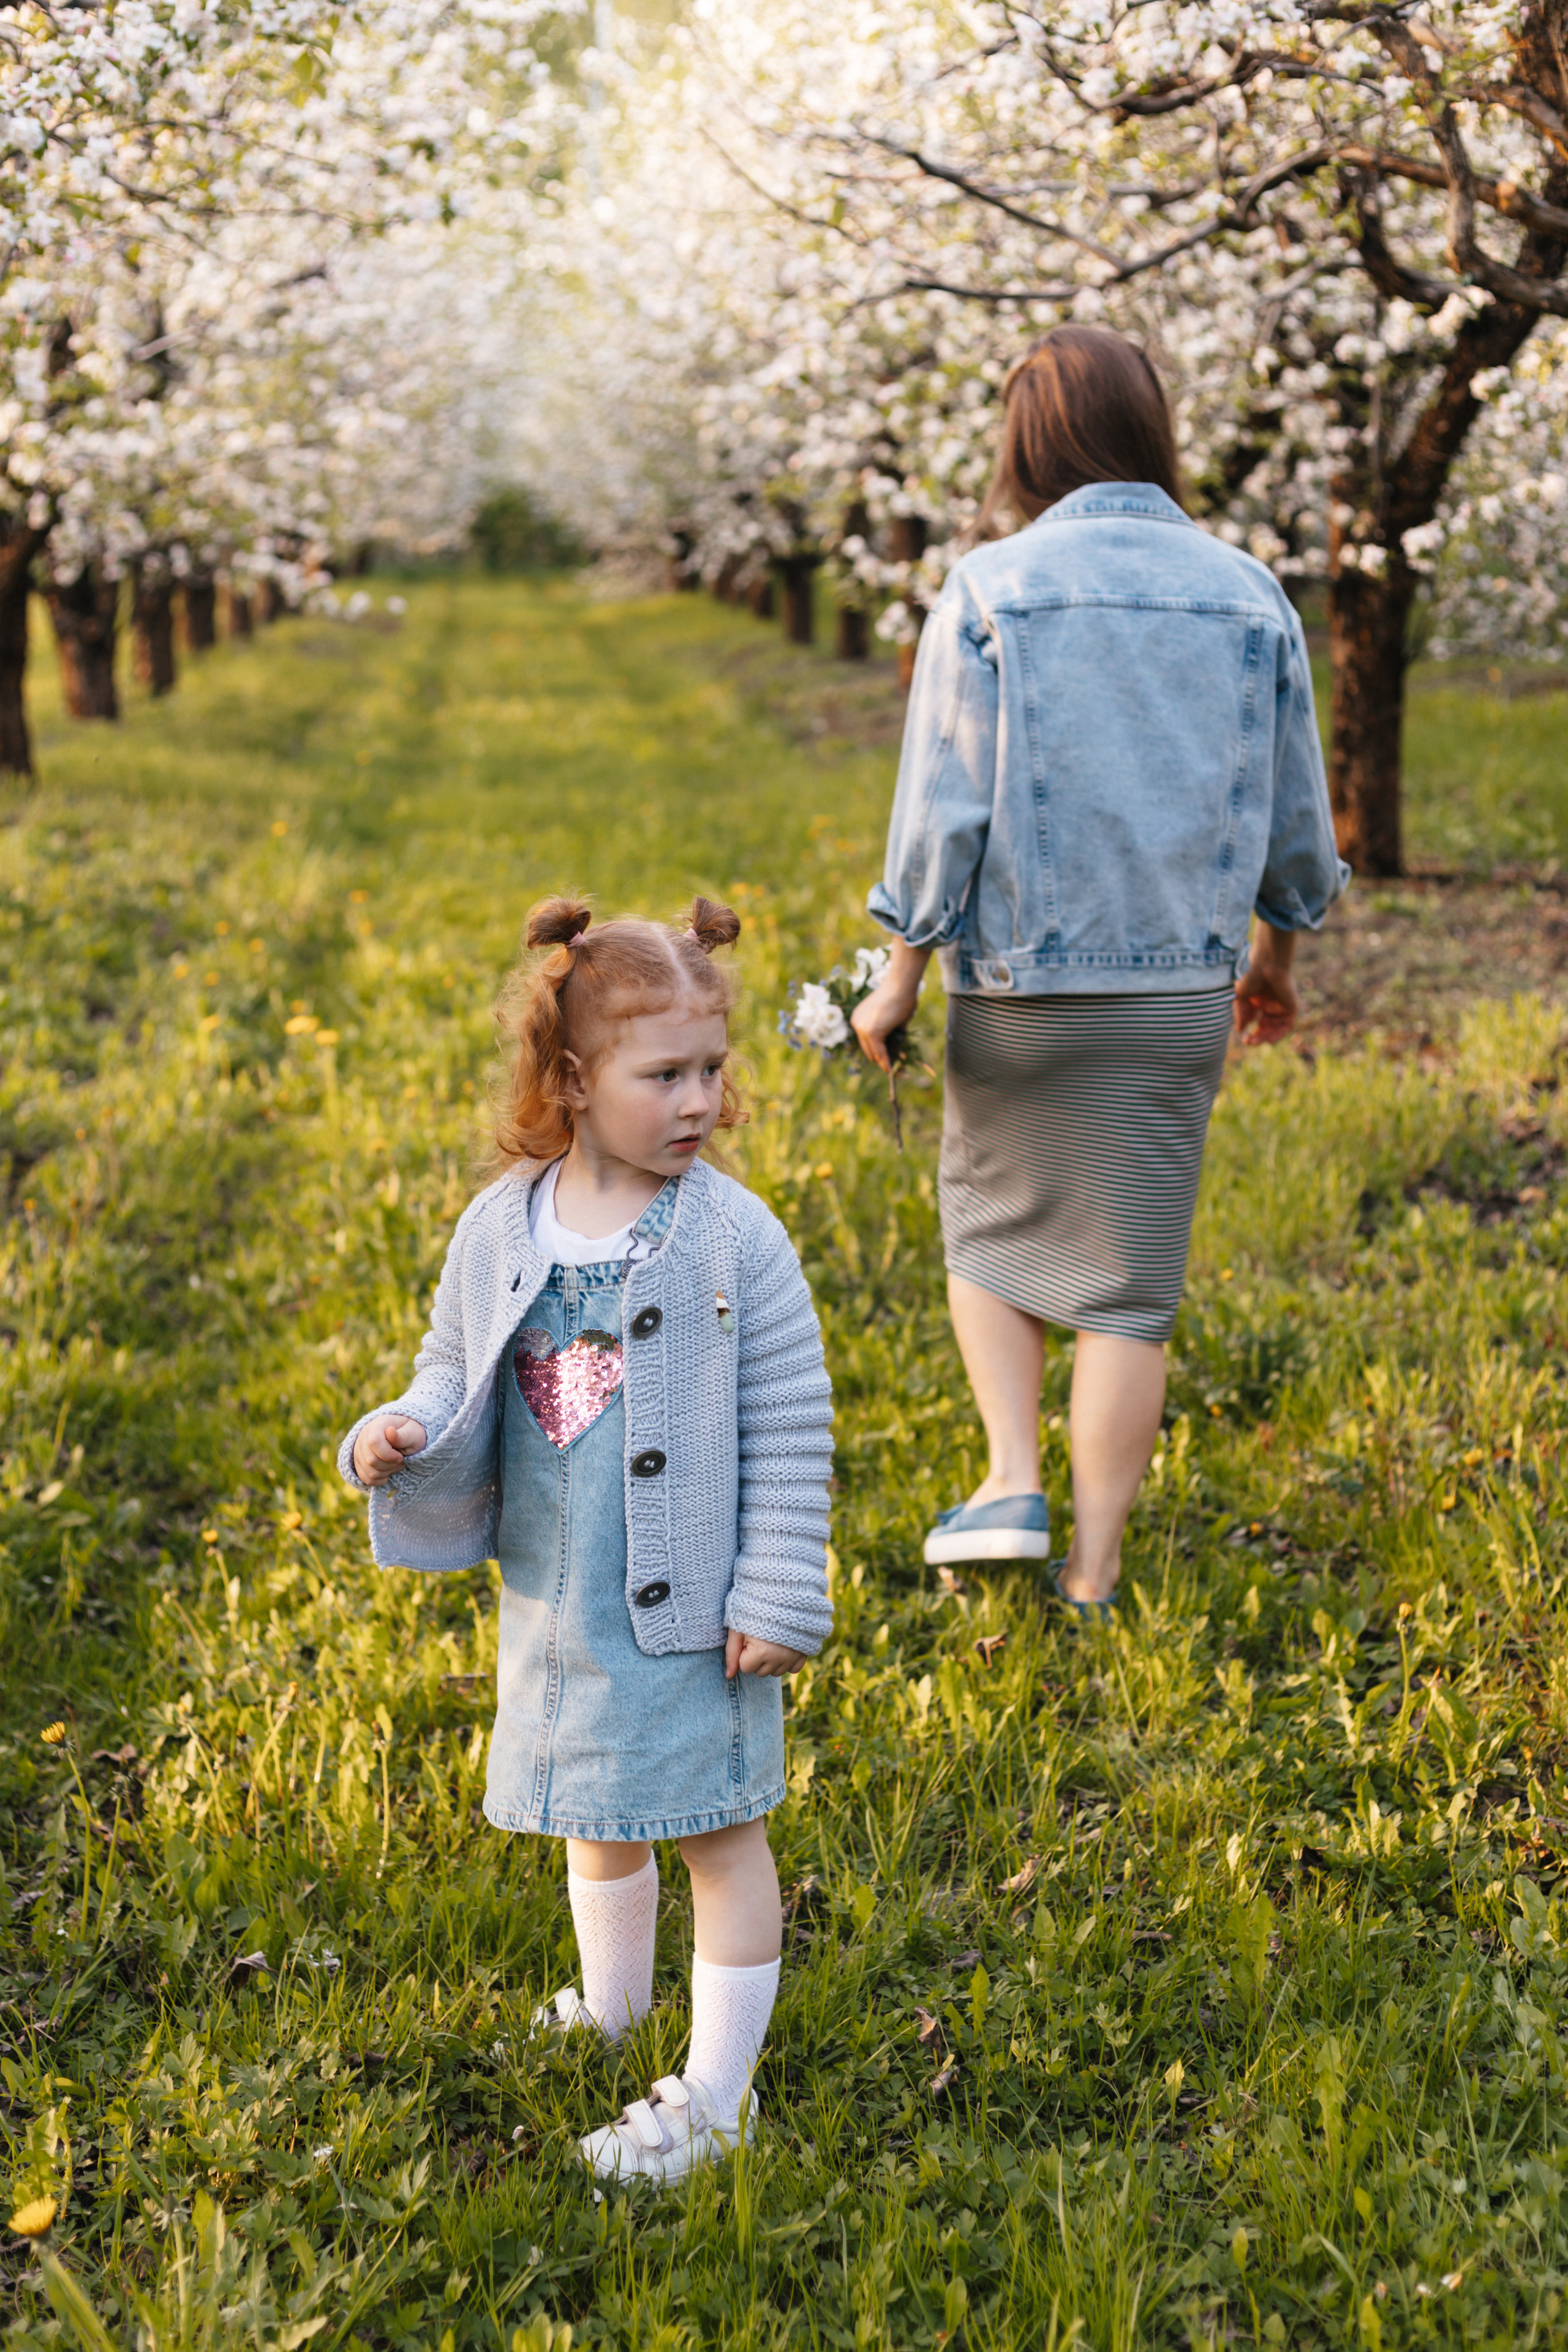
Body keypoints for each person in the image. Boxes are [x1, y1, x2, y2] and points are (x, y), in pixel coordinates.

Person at [852, 325, 1346, 1618]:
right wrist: (1273, 960)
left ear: (1028, 444)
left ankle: (1011, 1479)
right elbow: (1296, 823)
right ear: (1149, 431)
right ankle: (1094, 1570)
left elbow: (943, 808)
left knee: (989, 1230)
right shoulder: (1250, 592)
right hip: (1180, 993)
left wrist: (899, 976)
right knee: (1128, 1286)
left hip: (1020, 989)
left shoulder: (987, 588)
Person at [339, 894, 833, 2179]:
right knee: (595, 1806)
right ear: (570, 1080)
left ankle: (718, 2098)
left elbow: (789, 1417)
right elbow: (450, 1363)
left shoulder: (733, 1237)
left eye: (712, 1070)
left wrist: (780, 1586)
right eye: (663, 1075)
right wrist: (398, 1428)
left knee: (717, 1828)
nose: (699, 1101)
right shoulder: (503, 1225)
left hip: (695, 1607)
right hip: (561, 1597)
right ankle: (613, 2004)